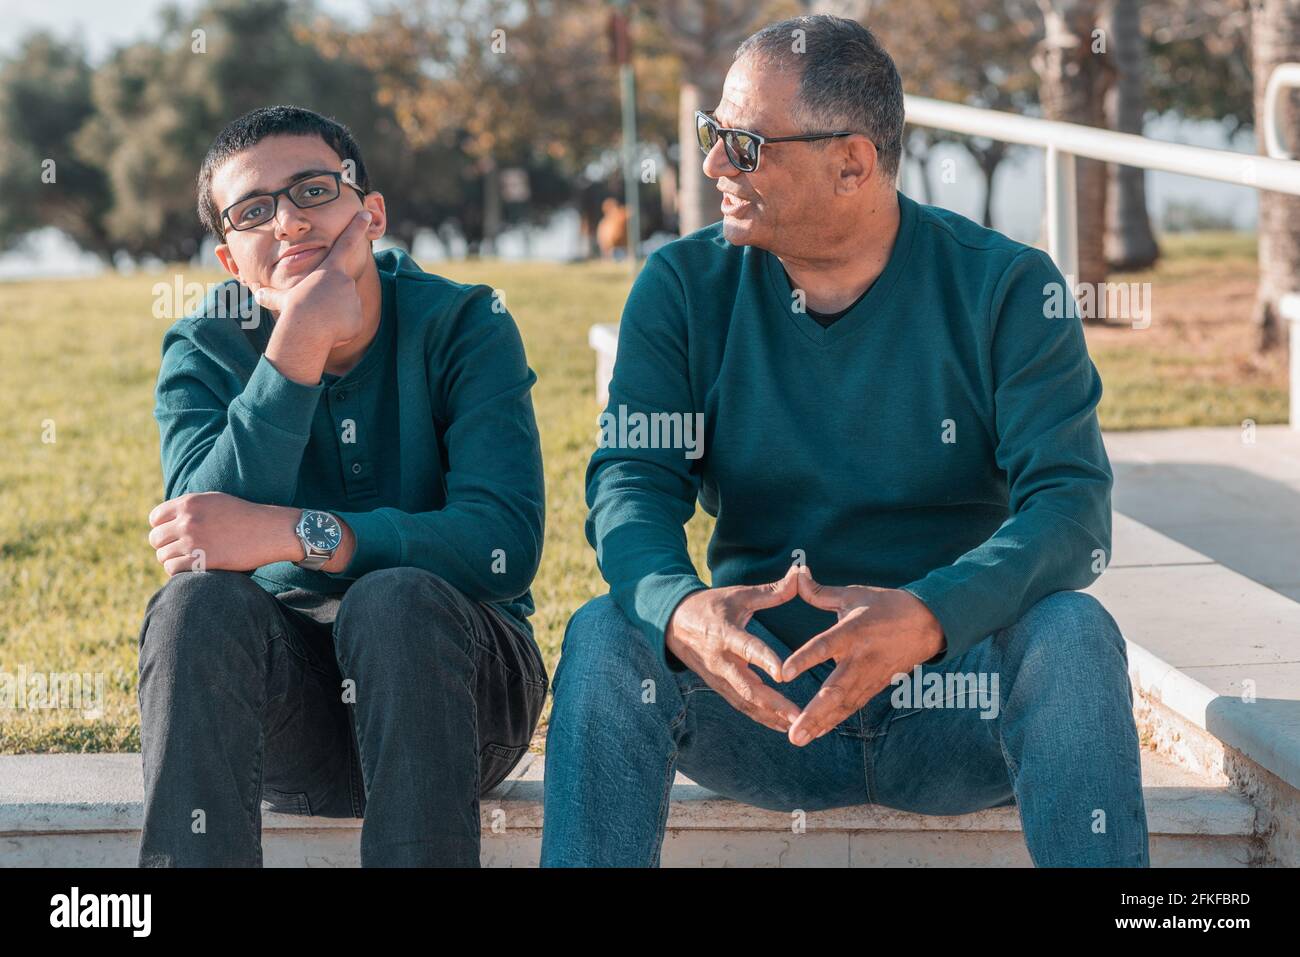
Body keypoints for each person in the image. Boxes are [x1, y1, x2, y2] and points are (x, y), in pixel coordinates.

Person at [542, 15, 1148, 867]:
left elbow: (1072, 510)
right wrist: (681, 610)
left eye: (744, 146)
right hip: (760, 703)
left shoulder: (1006, 288)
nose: (714, 164)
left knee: (1074, 635)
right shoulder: (683, 286)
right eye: (714, 135)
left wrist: (931, 616)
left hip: (953, 703)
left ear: (852, 163)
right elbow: (629, 483)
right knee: (608, 634)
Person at [138, 105, 547, 867]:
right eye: (254, 211)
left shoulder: (466, 323)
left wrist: (302, 533)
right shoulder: (204, 346)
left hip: (459, 693)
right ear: (231, 261)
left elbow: (503, 543)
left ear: (371, 211)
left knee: (393, 597)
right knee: (193, 604)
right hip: (293, 723)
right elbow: (196, 538)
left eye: (313, 190)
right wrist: (296, 343)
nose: (289, 222)